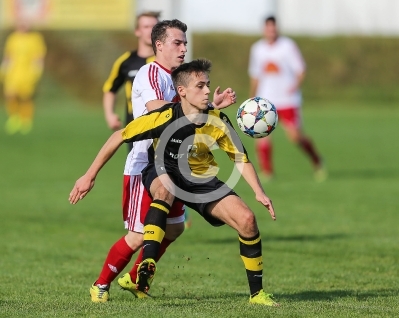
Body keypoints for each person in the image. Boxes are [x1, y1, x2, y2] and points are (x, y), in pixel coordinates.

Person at [69, 59, 279, 306]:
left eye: (207, 85)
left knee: (247, 220)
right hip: (163, 171)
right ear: (182, 91)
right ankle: (146, 263)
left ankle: (257, 295)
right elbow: (119, 136)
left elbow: (240, 159)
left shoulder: (218, 120)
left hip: (200, 179)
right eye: (200, 86)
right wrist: (89, 175)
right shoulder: (164, 116)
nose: (207, 91)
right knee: (163, 192)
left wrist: (259, 192)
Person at [70, 19, 236, 303]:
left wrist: (209, 106)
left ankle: (136, 278)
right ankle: (100, 285)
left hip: (175, 165)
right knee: (138, 236)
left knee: (174, 228)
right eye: (177, 43)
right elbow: (155, 108)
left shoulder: (183, 76)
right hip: (144, 165)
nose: (184, 48)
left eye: (185, 42)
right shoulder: (150, 73)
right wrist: (89, 175)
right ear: (159, 45)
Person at [248, 16, 326, 182]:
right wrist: (252, 97)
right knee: (262, 135)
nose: (271, 31)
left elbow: (301, 70)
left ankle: (316, 159)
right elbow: (255, 75)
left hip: (287, 99)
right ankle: (267, 172)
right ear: (264, 29)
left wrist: (295, 86)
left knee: (295, 137)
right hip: (266, 100)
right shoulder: (257, 49)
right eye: (268, 28)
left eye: (273, 28)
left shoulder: (288, 46)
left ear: (277, 29)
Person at [103, 11, 159, 152]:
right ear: (137, 31)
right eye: (146, 26)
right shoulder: (126, 61)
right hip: (135, 127)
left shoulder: (168, 61)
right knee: (139, 171)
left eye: (155, 26)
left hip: (163, 126)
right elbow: (110, 89)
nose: (151, 31)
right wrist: (110, 114)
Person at [0, 21, 46, 135]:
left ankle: (26, 120)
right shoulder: (13, 38)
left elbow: (38, 56)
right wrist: (4, 68)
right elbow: (8, 56)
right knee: (10, 95)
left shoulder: (35, 39)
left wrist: (37, 70)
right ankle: (14, 118)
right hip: (14, 73)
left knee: (26, 97)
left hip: (27, 73)